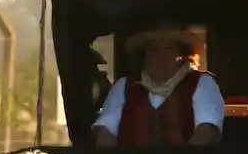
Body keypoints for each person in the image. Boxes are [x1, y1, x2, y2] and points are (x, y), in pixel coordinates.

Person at [91, 24, 225, 146]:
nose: (161, 56)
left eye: (169, 48)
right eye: (154, 49)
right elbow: (105, 130)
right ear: (144, 56)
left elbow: (207, 130)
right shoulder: (124, 86)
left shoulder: (201, 83)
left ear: (183, 55)